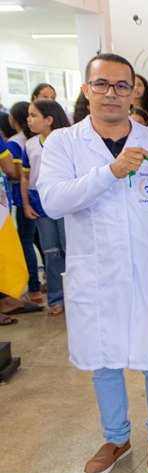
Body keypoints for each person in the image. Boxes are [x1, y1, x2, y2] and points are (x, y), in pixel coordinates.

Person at [36, 53, 148, 473]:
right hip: (97, 274)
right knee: (104, 362)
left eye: (123, 86)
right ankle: (116, 437)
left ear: (133, 91)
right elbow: (53, 200)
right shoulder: (64, 144)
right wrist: (111, 172)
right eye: (101, 84)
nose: (111, 94)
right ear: (86, 90)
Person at [21, 99, 70, 316]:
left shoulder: (68, 142)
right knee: (51, 253)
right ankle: (56, 298)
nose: (29, 120)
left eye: (34, 115)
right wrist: (26, 204)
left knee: (71, 251)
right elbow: (25, 177)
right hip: (41, 206)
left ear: (48, 119)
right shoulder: (30, 145)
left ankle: (76, 296)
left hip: (66, 205)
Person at [6, 102, 43, 305]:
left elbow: (15, 172)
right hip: (33, 198)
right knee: (40, 242)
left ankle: (35, 287)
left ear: (13, 119)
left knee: (27, 241)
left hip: (24, 199)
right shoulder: (29, 141)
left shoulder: (15, 142)